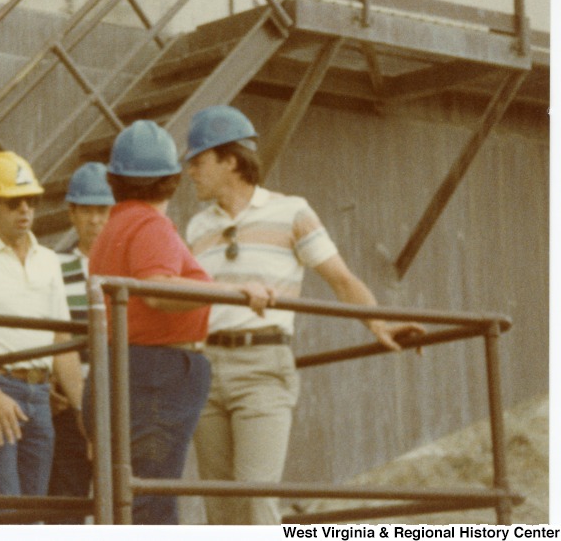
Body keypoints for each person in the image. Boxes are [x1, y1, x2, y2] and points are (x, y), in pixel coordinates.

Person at [183, 105, 426, 525]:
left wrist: (378, 323)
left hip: (262, 367)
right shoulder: (196, 228)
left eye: (198, 161)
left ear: (230, 161)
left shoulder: (291, 212)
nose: (190, 172)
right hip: (208, 368)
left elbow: (341, 279)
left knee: (258, 497)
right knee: (219, 507)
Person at [85, 119, 275, 525]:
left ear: (115, 179)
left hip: (120, 372)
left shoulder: (113, 227)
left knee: (129, 499)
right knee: (151, 499)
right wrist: (237, 291)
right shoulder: (151, 224)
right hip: (156, 375)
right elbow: (157, 289)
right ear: (170, 180)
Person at [0, 151, 84, 512]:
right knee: (3, 508)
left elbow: (61, 338)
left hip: (39, 393)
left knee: (32, 509)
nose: (25, 210)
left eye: (30, 201)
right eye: (14, 203)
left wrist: (81, 409)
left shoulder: (48, 260)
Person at [48, 161, 114, 523]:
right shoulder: (54, 267)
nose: (94, 220)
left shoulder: (127, 267)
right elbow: (42, 329)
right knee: (66, 504)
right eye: (86, 210)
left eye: (102, 210)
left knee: (124, 502)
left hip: (119, 402)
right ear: (72, 213)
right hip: (71, 403)